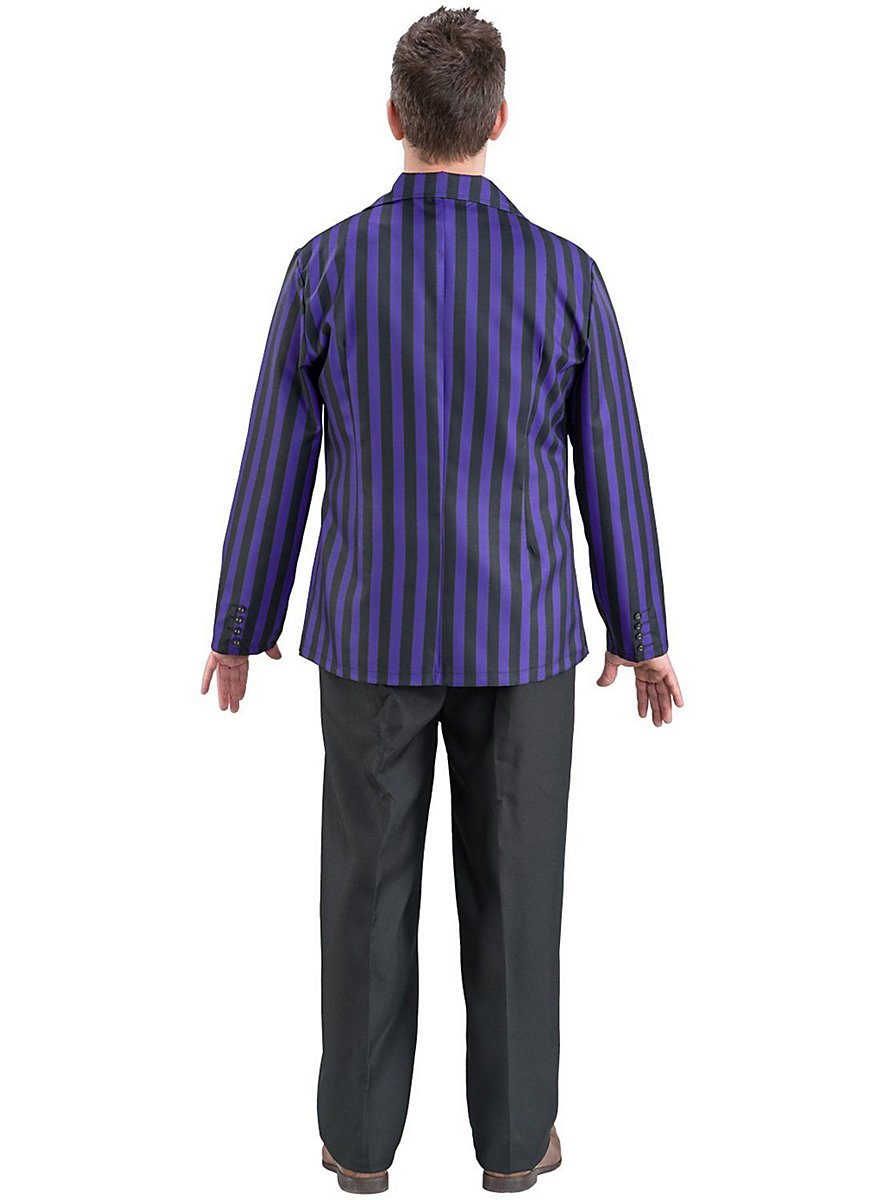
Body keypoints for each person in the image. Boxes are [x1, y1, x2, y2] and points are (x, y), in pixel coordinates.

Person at [200, 6, 683, 1193]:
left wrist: (239, 626)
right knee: (517, 897)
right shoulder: (566, 275)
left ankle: (359, 1147)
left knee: (365, 897)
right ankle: (515, 1148)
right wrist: (643, 632)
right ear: (500, 120)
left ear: (392, 117)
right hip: (523, 640)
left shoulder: (325, 268)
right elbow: (613, 464)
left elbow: (275, 460)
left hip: (371, 633)